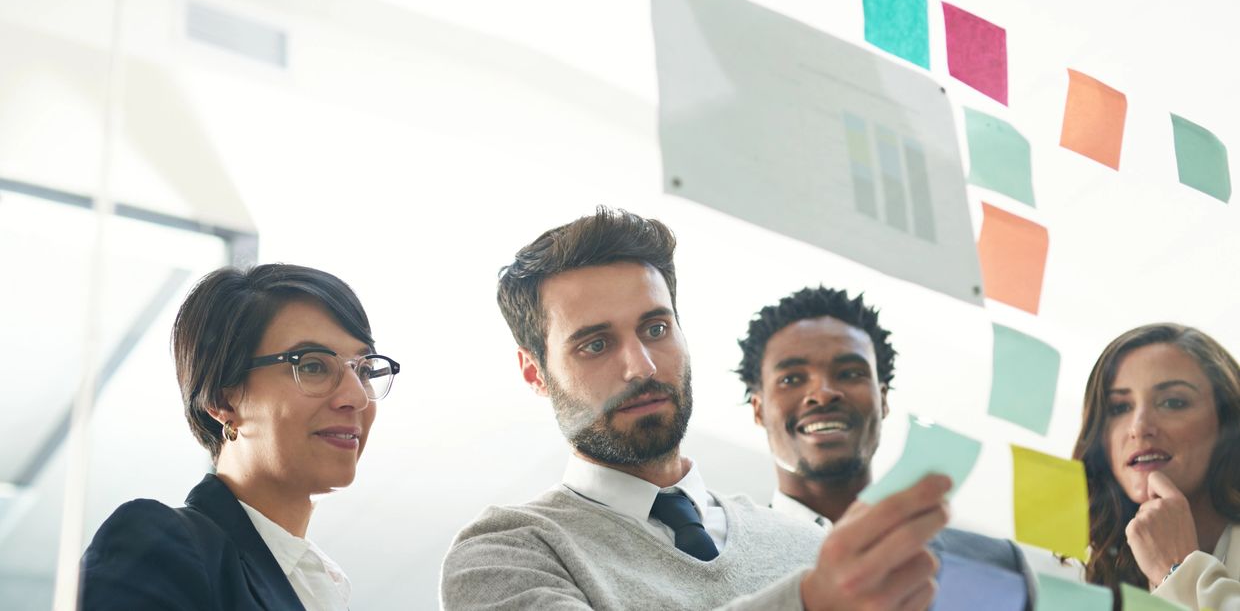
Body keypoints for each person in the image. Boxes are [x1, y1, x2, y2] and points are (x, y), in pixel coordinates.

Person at [441, 207, 952, 610]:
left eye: (656, 329)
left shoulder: (808, 546)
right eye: (596, 345)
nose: (640, 367)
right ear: (535, 373)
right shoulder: (506, 553)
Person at [80, 264, 400, 610]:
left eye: (364, 370)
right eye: (312, 366)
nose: (356, 397)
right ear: (221, 398)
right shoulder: (161, 545)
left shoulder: (317, 585)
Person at [737, 286, 1036, 608]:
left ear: (883, 399)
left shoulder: (997, 566)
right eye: (792, 379)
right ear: (758, 409)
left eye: (850, 373)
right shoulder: (717, 561)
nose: (822, 394)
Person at [1073, 323, 1240, 610]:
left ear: (1227, 422)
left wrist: (1176, 570)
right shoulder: (1089, 576)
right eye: (1119, 408)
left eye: (1173, 402)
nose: (1139, 427)